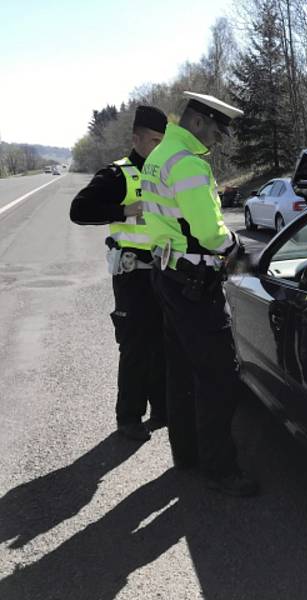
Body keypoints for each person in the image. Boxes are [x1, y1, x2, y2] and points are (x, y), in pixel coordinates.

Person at [141, 91, 259, 497]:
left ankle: (186, 453)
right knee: (218, 377)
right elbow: (210, 232)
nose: (219, 140)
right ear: (196, 122)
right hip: (195, 284)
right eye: (216, 130)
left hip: (168, 275)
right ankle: (221, 469)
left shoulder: (159, 155)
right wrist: (244, 257)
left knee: (181, 371)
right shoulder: (188, 163)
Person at [70, 105, 169, 442]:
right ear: (136, 137)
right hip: (132, 275)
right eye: (153, 139)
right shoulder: (118, 174)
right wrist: (124, 210)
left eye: (163, 140)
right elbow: (79, 210)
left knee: (163, 342)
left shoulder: (166, 174)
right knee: (135, 346)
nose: (158, 146)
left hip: (165, 272)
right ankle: (129, 417)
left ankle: (162, 409)